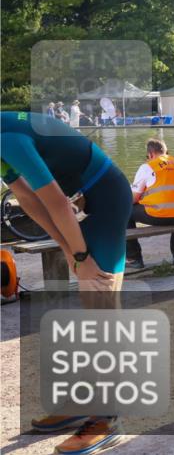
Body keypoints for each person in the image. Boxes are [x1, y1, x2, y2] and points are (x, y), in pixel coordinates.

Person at [1, 111, 131, 453]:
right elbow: (28, 198)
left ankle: (106, 419)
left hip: (106, 196)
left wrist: (82, 257)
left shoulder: (6, 137)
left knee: (102, 306)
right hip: (85, 197)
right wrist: (70, 250)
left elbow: (56, 200)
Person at [125, 139, 174, 269]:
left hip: (162, 216)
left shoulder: (148, 166)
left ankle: (134, 258)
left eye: (147, 157)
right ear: (165, 152)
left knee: (125, 210)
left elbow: (133, 198)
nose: (147, 159)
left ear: (151, 154)